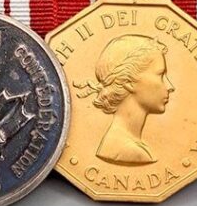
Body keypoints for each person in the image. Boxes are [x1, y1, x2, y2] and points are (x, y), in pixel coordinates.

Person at [74, 35, 175, 164]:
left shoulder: (133, 146)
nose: (170, 87)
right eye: (160, 75)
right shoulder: (129, 150)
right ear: (128, 82)